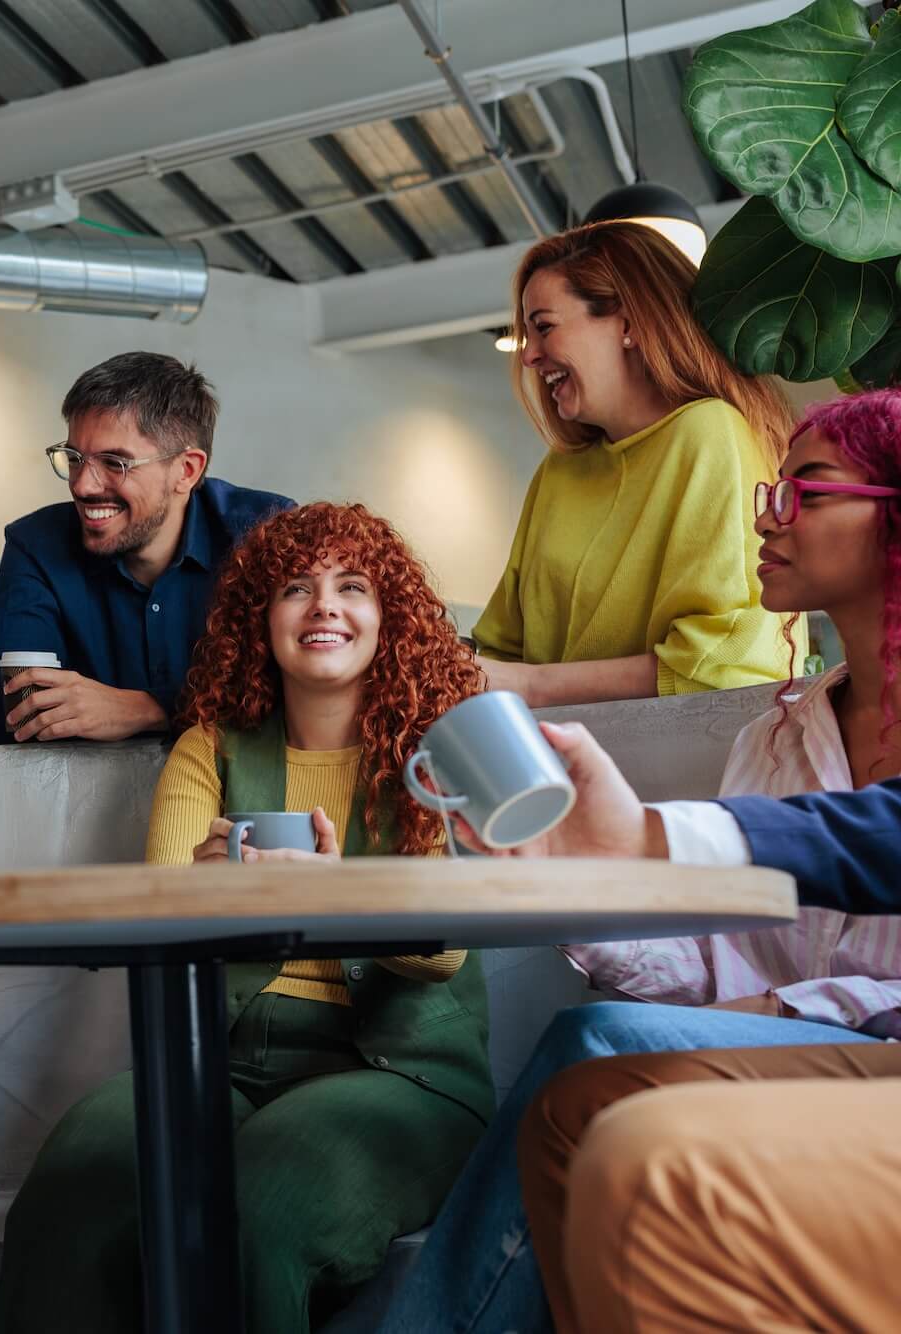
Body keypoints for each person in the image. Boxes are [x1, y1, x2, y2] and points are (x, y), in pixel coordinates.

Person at [379, 387, 901, 1333]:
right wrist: (573, 883)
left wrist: (785, 1005)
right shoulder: (778, 736)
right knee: (602, 1058)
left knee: (596, 1053)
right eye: (768, 494)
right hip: (778, 1044)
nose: (768, 519)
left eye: (807, 493)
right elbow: (713, 960)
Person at [0, 503, 490, 1333]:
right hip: (224, 1061)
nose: (325, 605)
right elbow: (164, 914)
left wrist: (330, 892)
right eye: (297, 587)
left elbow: (441, 953)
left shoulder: (439, 755)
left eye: (353, 587)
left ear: (389, 617)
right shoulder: (211, 746)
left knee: (260, 1209)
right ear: (260, 620)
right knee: (71, 1186)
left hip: (405, 1073)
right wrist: (207, 886)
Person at [474, 221, 803, 707]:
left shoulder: (709, 433)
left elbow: (721, 664)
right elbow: (502, 648)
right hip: (556, 768)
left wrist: (534, 686)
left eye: (544, 327)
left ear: (627, 324)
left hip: (689, 774)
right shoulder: (559, 471)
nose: (530, 357)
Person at [0, 351, 291, 744]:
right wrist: (200, 707)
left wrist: (147, 709)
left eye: (114, 463)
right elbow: (13, 715)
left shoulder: (266, 536)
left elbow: (299, 697)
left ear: (186, 470)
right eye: (74, 458)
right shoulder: (35, 546)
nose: (82, 485)